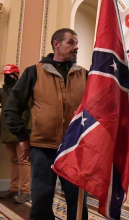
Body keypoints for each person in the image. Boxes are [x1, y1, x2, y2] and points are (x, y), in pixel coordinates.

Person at [4, 28, 89, 220]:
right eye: (71, 42)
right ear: (56, 44)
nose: (76, 47)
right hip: (42, 147)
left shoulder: (85, 74)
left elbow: (96, 109)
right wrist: (23, 138)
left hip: (74, 149)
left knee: (77, 201)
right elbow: (11, 108)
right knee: (41, 200)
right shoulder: (34, 72)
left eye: (77, 43)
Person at [0, 64, 31, 203]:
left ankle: (25, 191)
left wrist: (26, 132)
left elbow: (29, 112)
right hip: (7, 131)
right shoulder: (2, 92)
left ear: (16, 75)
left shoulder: (23, 91)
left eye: (10, 74)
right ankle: (13, 188)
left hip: (20, 132)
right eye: (5, 75)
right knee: (14, 161)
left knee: (23, 161)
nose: (7, 77)